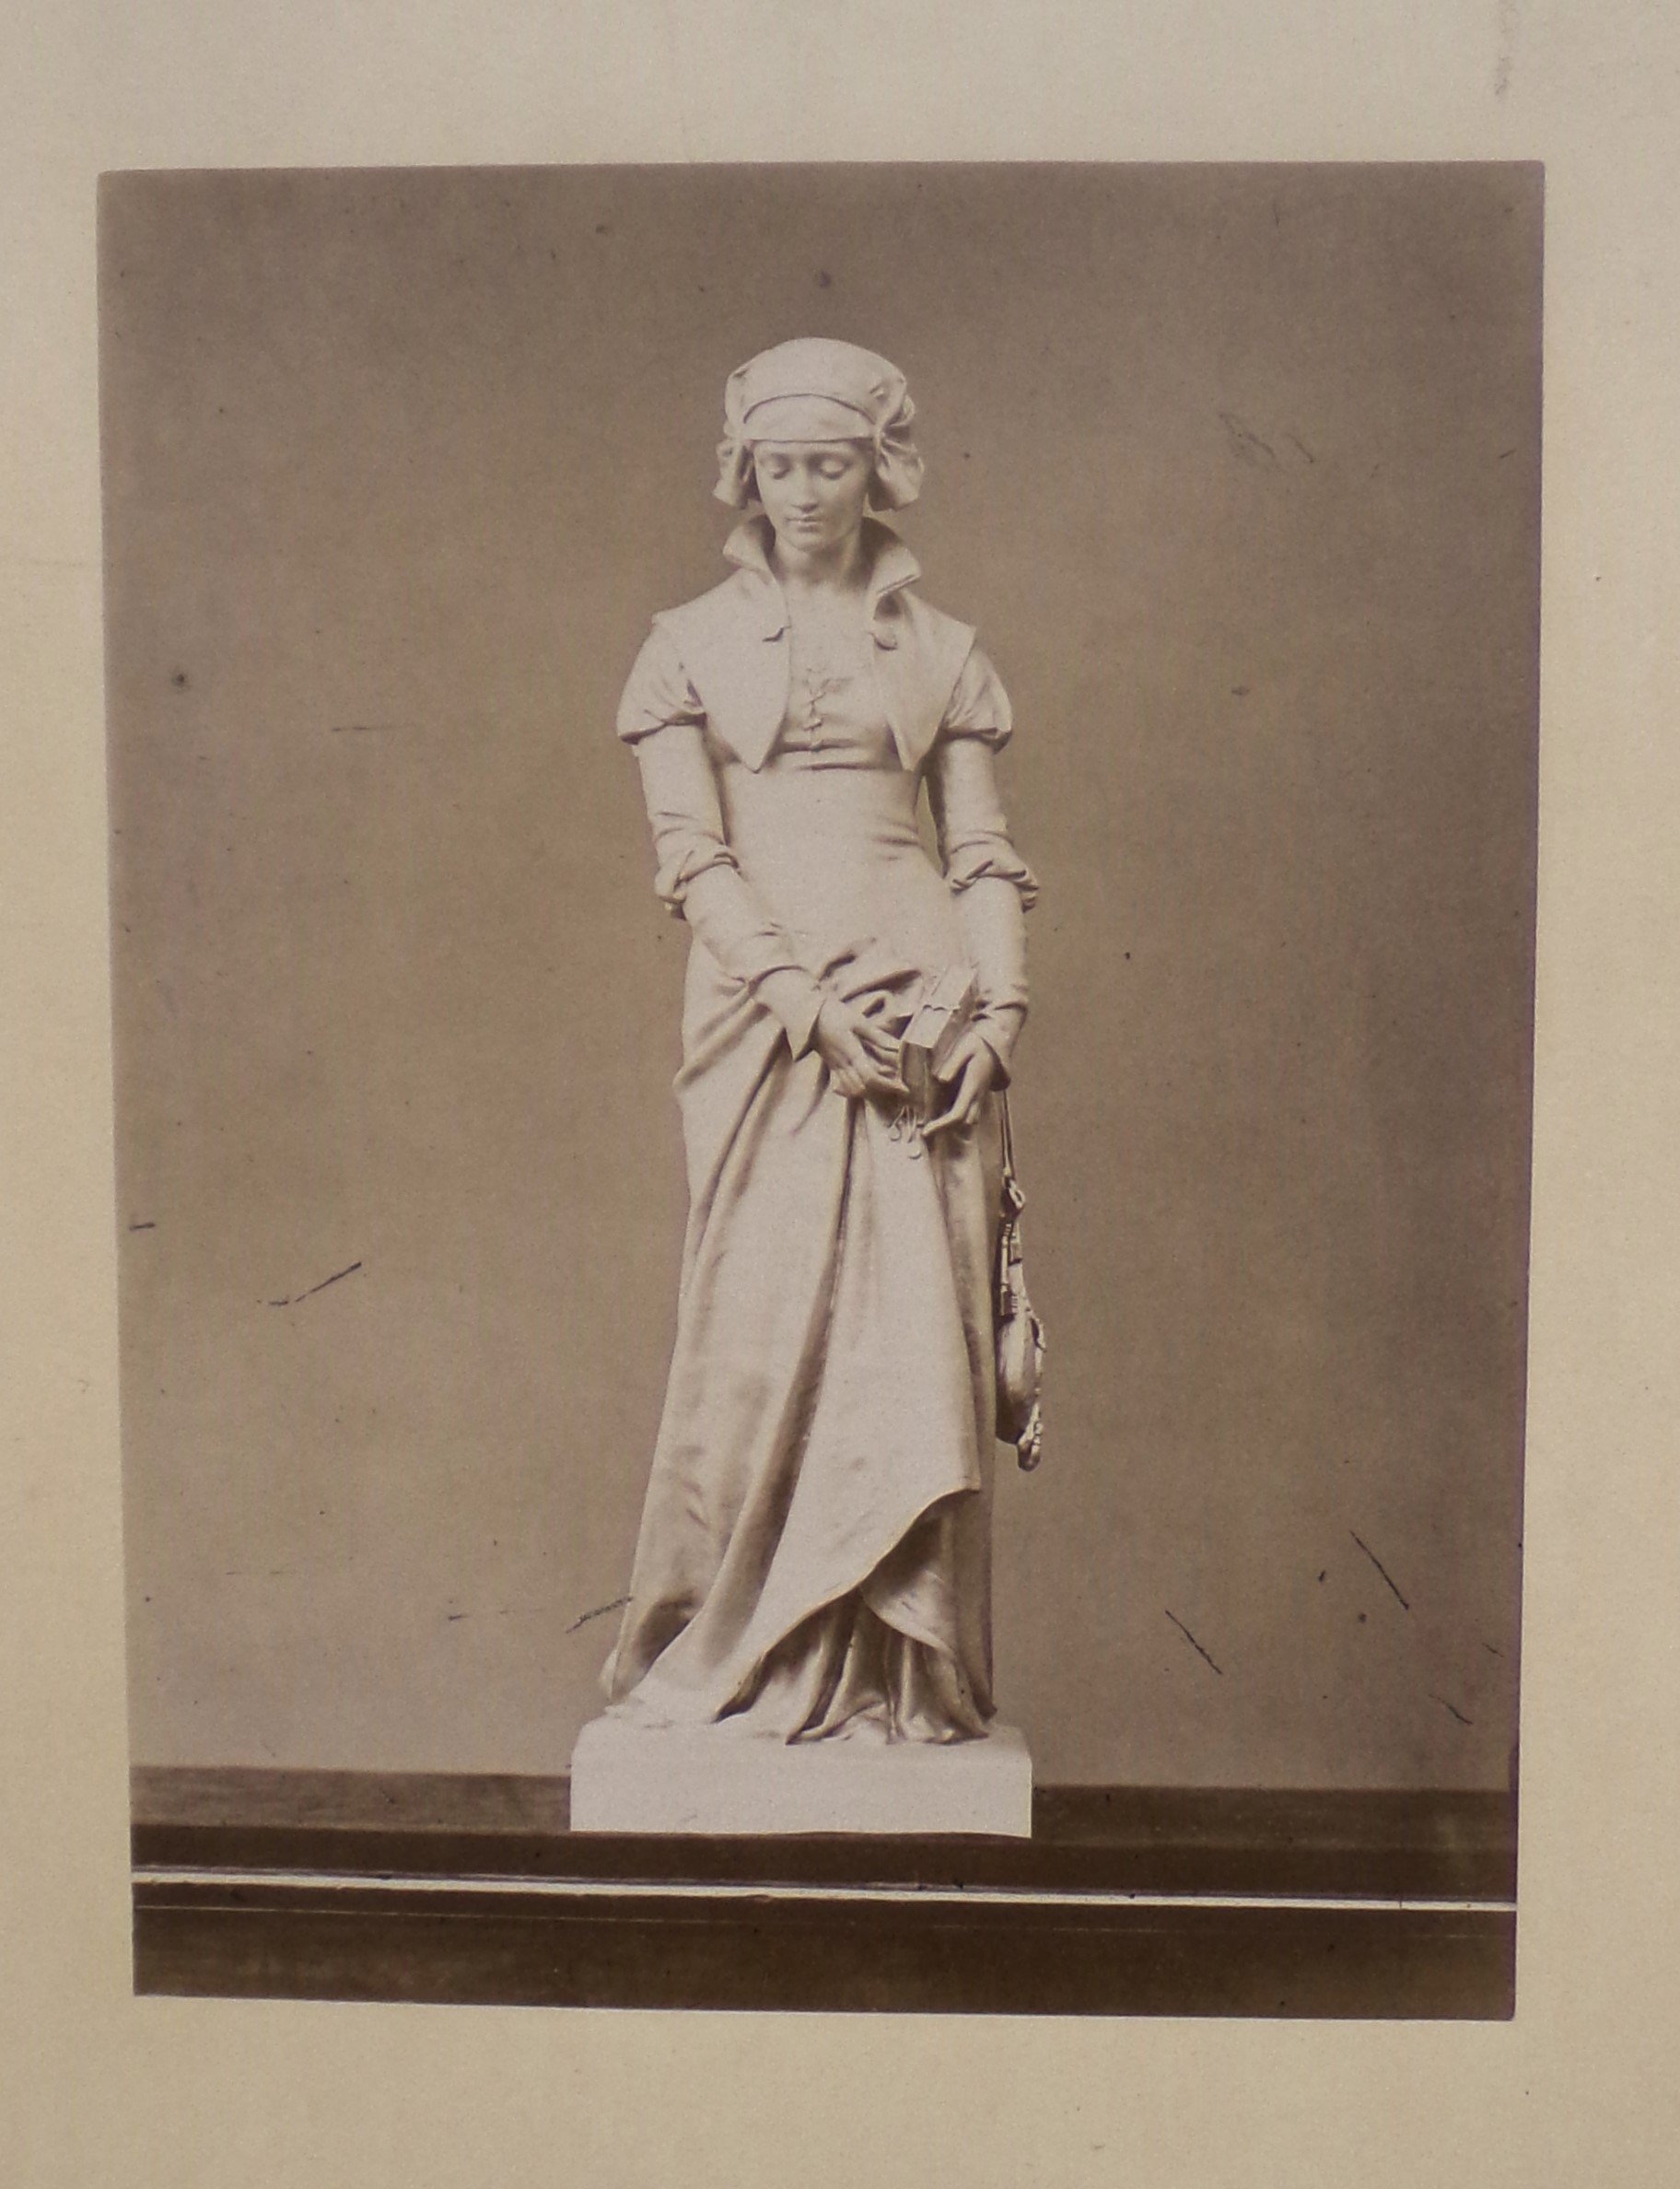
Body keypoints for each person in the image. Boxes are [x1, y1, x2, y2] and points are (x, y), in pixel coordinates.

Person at [600, 337, 1038, 1745]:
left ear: (877, 471)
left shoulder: (946, 652)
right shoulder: (685, 648)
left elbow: (982, 854)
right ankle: (746, 1656)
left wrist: (1000, 1012)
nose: (801, 489)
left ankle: (901, 1682)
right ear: (745, 471)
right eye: (779, 463)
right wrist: (801, 1004)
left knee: (916, 1354)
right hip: (770, 1025)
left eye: (829, 463)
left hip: (924, 1021)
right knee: (758, 1341)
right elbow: (692, 859)